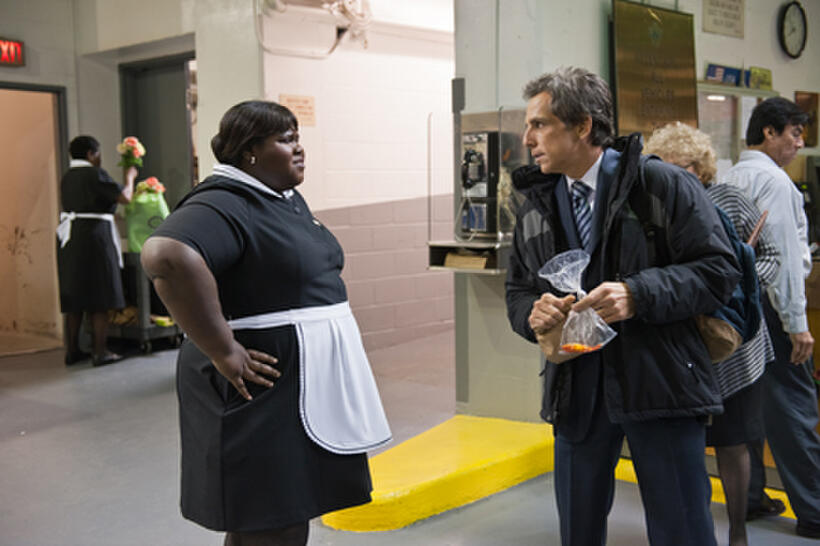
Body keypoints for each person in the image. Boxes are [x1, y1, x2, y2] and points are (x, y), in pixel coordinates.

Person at [505, 67, 741, 546]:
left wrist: (638, 293)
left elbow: (719, 270)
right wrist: (533, 315)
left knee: (682, 528)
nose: (528, 139)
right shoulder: (535, 202)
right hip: (576, 392)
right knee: (578, 529)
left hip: (661, 383)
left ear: (583, 126)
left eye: (540, 124)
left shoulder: (660, 184)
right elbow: (518, 290)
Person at [140, 100, 391, 546]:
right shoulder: (224, 201)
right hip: (263, 380)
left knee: (283, 512)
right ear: (250, 151)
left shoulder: (279, 198)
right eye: (286, 139)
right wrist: (222, 349)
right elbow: (167, 257)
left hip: (299, 383)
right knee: (270, 517)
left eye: (298, 138)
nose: (299, 149)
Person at [644, 121, 780, 546]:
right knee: (688, 445)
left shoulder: (729, 199)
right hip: (684, 342)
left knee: (733, 440)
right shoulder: (654, 208)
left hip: (734, 342)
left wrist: (739, 285)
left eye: (682, 168)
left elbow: (771, 256)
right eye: (664, 168)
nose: (673, 177)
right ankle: (697, 528)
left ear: (700, 167)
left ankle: (738, 531)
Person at [722, 96, 820, 539]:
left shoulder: (730, 176)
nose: (799, 144)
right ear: (769, 132)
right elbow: (783, 261)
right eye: (794, 134)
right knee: (793, 405)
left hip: (738, 306)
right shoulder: (775, 182)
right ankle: (815, 510)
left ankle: (751, 497)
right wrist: (797, 324)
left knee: (747, 403)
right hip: (771, 307)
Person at [57, 135, 137, 366]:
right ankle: (100, 352)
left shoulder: (68, 176)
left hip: (70, 238)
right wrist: (130, 177)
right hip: (94, 237)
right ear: (91, 154)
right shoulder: (94, 174)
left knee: (75, 297)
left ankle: (72, 351)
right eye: (98, 153)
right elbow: (125, 197)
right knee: (100, 295)